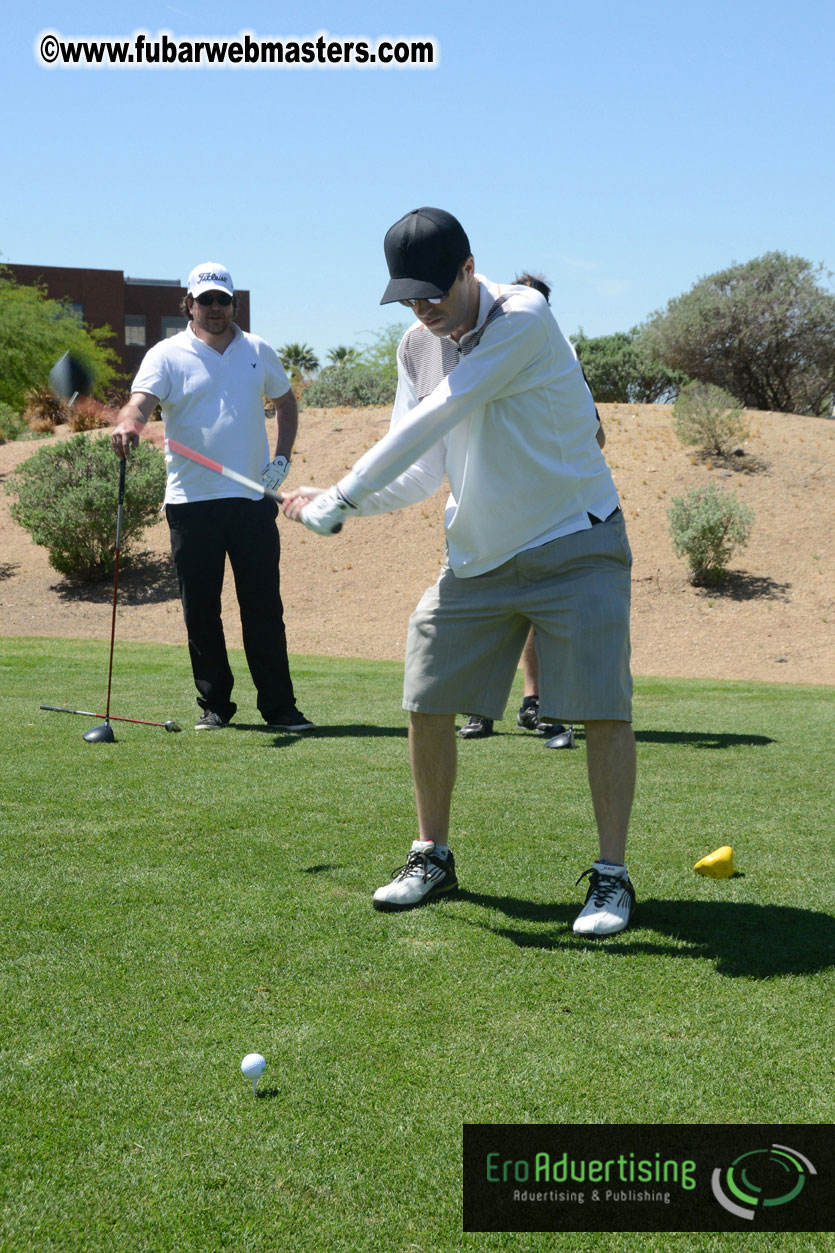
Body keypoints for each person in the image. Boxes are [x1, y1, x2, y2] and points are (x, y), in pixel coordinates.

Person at [284, 208, 636, 936]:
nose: (423, 309)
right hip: (477, 555)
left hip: (577, 539)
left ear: (469, 268)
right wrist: (334, 504)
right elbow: (419, 467)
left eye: (434, 293)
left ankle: (610, 876)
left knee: (602, 707)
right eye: (409, 297)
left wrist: (342, 491)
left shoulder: (523, 316)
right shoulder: (418, 343)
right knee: (426, 689)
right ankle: (431, 854)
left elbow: (440, 414)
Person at [110, 262, 313, 733]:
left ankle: (280, 707)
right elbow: (140, 402)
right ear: (190, 304)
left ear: (233, 304)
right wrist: (129, 423)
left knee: (263, 608)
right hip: (190, 503)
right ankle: (215, 706)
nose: (215, 308)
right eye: (206, 300)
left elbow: (285, 403)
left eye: (223, 300)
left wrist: (281, 460)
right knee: (200, 610)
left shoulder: (258, 350)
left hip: (251, 500)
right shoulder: (166, 354)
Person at [459, 271, 604, 747]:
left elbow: (596, 434)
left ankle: (538, 704)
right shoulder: (478, 351)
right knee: (484, 614)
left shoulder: (561, 358)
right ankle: (480, 709)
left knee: (547, 615)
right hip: (489, 511)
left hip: (548, 514)